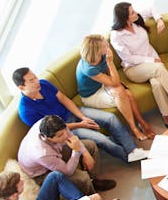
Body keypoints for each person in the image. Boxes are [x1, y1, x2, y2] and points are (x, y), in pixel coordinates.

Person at [12, 67, 148, 163]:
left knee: (110, 118)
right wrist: (80, 124)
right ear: (21, 87)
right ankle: (127, 157)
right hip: (65, 129)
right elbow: (53, 131)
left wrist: (82, 117)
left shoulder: (44, 84)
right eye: (31, 80)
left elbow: (64, 99)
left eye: (35, 77)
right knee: (102, 139)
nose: (36, 81)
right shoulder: (26, 111)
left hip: (74, 112)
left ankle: (133, 151)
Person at [109, 2, 168, 128]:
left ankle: (167, 116)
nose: (136, 13)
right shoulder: (116, 36)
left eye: (134, 10)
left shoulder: (136, 20)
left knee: (157, 83)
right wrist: (151, 61)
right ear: (124, 18)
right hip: (133, 68)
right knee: (158, 69)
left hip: (152, 62)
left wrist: (159, 20)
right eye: (132, 12)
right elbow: (128, 58)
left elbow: (151, 7)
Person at [76, 34, 155, 141]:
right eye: (105, 45)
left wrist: (113, 80)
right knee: (121, 92)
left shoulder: (102, 55)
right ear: (98, 51)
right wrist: (110, 62)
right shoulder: (89, 69)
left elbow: (109, 73)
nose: (108, 46)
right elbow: (115, 83)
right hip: (92, 95)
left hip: (102, 84)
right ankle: (134, 128)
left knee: (128, 94)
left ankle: (141, 122)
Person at [18, 115, 116, 193]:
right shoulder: (41, 153)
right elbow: (68, 171)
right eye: (60, 135)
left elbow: (71, 137)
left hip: (56, 152)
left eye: (65, 131)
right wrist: (76, 151)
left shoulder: (50, 123)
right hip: (42, 172)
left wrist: (86, 154)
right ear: (48, 137)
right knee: (82, 178)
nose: (66, 136)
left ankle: (94, 180)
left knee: (90, 145)